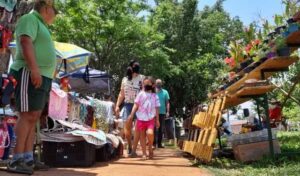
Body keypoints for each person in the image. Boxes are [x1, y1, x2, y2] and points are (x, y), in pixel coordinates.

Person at [7, 0, 58, 174]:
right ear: (45, 7)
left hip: (41, 76)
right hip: (28, 72)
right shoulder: (30, 19)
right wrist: (35, 69)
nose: (56, 13)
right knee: (27, 115)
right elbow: (25, 42)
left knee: (33, 116)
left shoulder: (41, 24)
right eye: (54, 9)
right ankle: (16, 160)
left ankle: (27, 158)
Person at [115, 60, 144, 154]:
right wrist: (117, 106)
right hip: (127, 105)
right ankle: (130, 146)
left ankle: (134, 149)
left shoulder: (142, 78)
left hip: (139, 106)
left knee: (136, 129)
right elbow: (121, 94)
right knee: (127, 128)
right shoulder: (124, 79)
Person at [128, 76, 160, 159]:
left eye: (148, 84)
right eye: (144, 84)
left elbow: (157, 108)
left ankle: (150, 147)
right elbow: (136, 104)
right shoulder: (140, 94)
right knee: (142, 136)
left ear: (153, 85)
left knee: (150, 133)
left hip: (150, 118)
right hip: (140, 118)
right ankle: (144, 153)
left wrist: (157, 120)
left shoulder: (155, 96)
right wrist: (132, 114)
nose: (146, 85)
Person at [154, 79, 170, 148]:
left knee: (161, 129)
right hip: (153, 113)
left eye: (159, 83)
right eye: (157, 83)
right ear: (155, 83)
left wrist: (168, 111)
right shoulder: (153, 91)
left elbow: (167, 103)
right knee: (153, 128)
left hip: (162, 112)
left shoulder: (165, 92)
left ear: (161, 84)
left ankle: (159, 144)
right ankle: (153, 143)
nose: (158, 84)